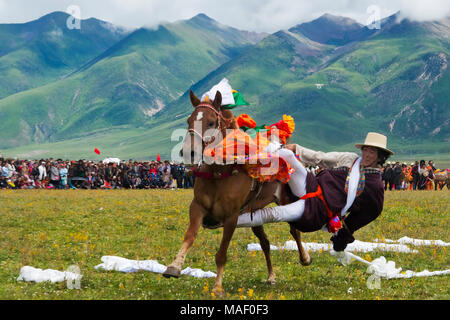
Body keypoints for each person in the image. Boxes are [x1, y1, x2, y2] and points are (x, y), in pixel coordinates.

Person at [236, 132, 393, 252]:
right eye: (366, 150)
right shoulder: (350, 158)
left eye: (372, 152)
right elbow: (321, 158)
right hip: (311, 186)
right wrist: (297, 148)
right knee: (287, 154)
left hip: (317, 211)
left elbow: (369, 214)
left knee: (273, 214)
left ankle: (228, 221)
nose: (366, 154)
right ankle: (242, 160)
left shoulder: (375, 186)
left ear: (380, 156)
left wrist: (343, 236)